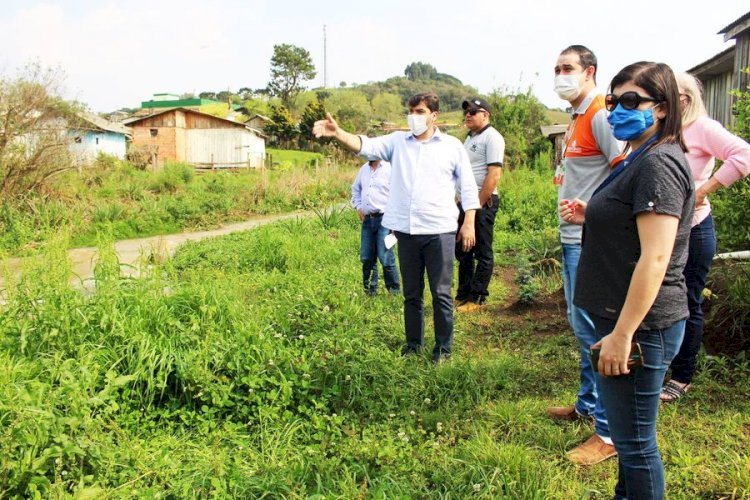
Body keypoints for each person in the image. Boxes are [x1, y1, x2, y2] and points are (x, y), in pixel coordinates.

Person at [561, 61, 694, 499]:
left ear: (661, 108)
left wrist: (622, 334)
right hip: (624, 320)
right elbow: (632, 222)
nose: (618, 109)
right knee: (626, 432)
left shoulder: (658, 163)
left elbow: (656, 258)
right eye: (615, 100)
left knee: (634, 445)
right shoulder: (640, 154)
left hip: (640, 327)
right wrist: (592, 212)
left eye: (632, 101)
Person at [313, 92, 479, 364]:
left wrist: (469, 223)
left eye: (420, 111)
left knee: (440, 294)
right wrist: (339, 133)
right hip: (407, 231)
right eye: (411, 111)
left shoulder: (451, 146)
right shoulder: (397, 143)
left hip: (440, 231)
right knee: (411, 294)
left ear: (434, 115)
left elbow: (468, 187)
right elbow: (365, 146)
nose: (414, 117)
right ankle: (414, 346)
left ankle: (443, 350)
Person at [546, 45, 622, 465]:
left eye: (568, 68)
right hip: (573, 236)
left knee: (594, 330)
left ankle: (608, 433)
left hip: (591, 239)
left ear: (589, 71)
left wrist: (595, 216)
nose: (560, 74)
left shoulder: (600, 114)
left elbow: (625, 171)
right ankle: (588, 405)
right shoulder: (577, 117)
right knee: (582, 327)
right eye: (556, 68)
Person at [660, 73, 750, 402]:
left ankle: (682, 376)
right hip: (662, 229)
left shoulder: (702, 128)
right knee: (659, 299)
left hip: (694, 229)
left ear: (683, 98)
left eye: (664, 95)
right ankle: (658, 364)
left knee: (687, 301)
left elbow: (745, 155)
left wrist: (703, 191)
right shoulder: (663, 129)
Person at [454, 97, 505, 312]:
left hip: (482, 202)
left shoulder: (492, 138)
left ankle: (477, 298)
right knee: (464, 248)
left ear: (486, 115)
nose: (468, 114)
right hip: (466, 201)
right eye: (466, 111)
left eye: (474, 111)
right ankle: (463, 293)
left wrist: (477, 206)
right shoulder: (469, 138)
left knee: (482, 250)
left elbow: (493, 175)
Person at [351, 155, 400, 296]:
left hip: (385, 219)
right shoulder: (363, 170)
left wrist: (395, 221)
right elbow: (355, 189)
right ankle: (370, 291)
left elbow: (398, 195)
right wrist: (358, 206)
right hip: (367, 220)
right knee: (367, 257)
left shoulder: (390, 169)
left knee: (385, 256)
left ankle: (394, 291)